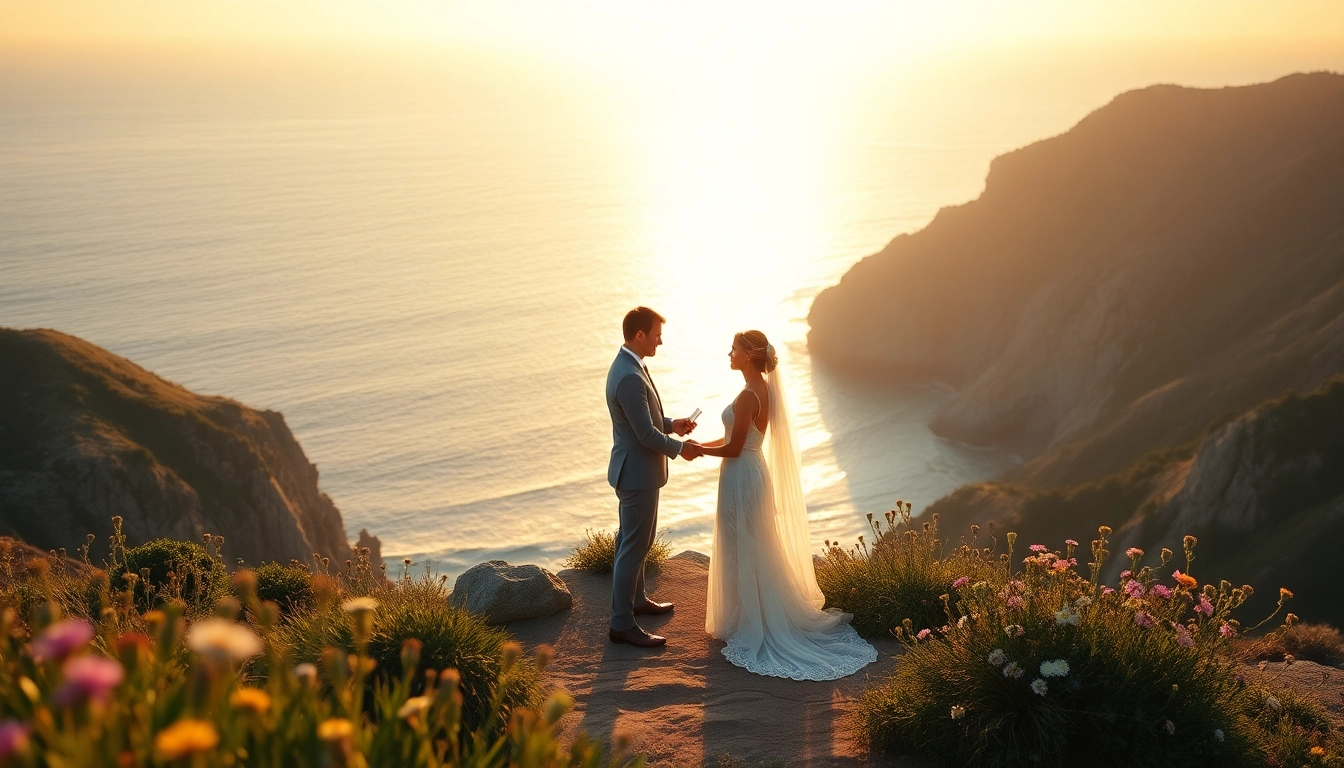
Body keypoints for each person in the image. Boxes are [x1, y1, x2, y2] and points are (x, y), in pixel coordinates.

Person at [689, 331, 877, 679]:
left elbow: (734, 448)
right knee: (751, 542)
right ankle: (750, 614)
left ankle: (751, 620)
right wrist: (701, 444)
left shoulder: (749, 395)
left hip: (741, 474)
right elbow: (736, 438)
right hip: (749, 470)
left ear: (749, 355)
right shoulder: (761, 389)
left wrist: (697, 450)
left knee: (743, 542)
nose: (729, 354)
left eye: (734, 349)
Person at [604, 307, 701, 648]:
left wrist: (672, 424)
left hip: (636, 471)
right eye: (657, 335)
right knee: (633, 546)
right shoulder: (629, 375)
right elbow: (645, 435)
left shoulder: (630, 365)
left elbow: (645, 420)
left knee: (634, 542)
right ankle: (622, 623)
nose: (660, 341)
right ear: (640, 334)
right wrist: (680, 448)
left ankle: (636, 600)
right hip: (637, 475)